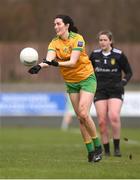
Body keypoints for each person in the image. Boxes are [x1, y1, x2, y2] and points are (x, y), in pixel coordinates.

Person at [28, 14, 102, 163]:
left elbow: (73, 62)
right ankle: (90, 152)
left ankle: (98, 146)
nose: (56, 27)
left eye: (58, 24)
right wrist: (39, 66)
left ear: (67, 25)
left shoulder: (78, 39)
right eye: (54, 24)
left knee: (83, 112)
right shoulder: (54, 43)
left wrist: (56, 64)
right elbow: (49, 59)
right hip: (71, 82)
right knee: (81, 118)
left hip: (87, 78)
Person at [89, 30, 133, 157]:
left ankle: (117, 148)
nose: (102, 42)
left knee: (113, 116)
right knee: (102, 121)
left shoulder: (119, 55)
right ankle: (106, 151)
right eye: (100, 40)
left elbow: (129, 72)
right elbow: (86, 70)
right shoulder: (94, 55)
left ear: (110, 41)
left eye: (105, 40)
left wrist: (123, 82)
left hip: (115, 90)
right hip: (100, 90)